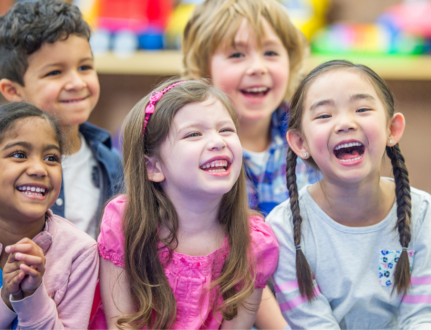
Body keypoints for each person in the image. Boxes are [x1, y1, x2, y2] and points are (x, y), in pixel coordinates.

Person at [267, 60, 431, 329]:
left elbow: (421, 315)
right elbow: (313, 323)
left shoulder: (420, 211)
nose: (345, 123)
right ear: (300, 143)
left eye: (362, 109)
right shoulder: (284, 227)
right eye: (324, 115)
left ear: (392, 129)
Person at [95, 79, 279, 329]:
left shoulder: (255, 243)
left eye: (226, 130)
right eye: (194, 134)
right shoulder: (124, 222)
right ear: (153, 167)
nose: (218, 142)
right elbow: (121, 324)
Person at [182, 0, 320, 216]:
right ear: (203, 68)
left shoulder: (313, 134)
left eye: (271, 53)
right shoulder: (187, 149)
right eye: (237, 54)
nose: (257, 67)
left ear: (290, 61)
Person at [0, 0, 123, 239]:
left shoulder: (112, 162)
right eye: (55, 72)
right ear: (13, 91)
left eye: (85, 67)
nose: (77, 83)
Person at [0, 102, 99, 329]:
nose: (39, 169)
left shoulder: (79, 252)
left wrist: (32, 296)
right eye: (19, 154)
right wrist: (6, 297)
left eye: (52, 158)